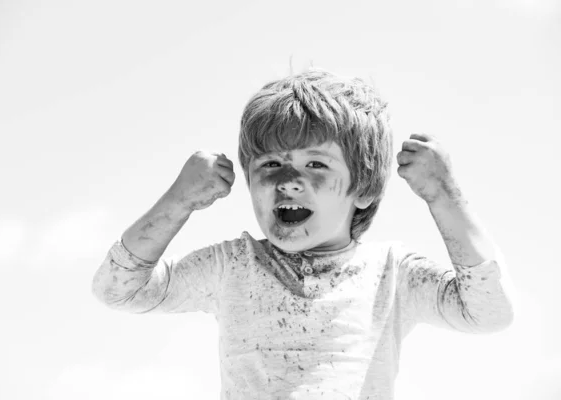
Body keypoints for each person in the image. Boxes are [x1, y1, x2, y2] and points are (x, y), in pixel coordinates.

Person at [91, 68, 514, 399]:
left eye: (316, 165)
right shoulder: (232, 266)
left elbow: (488, 312)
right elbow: (119, 290)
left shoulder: (393, 273)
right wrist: (178, 200)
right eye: (270, 165)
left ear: (363, 188)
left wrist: (444, 195)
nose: (288, 181)